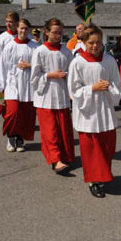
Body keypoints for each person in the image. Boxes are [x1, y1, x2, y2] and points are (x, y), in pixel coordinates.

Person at [68, 23, 121, 198]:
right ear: (83, 42)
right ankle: (94, 180)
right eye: (91, 42)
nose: (95, 46)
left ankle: (103, 175)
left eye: (98, 42)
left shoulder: (109, 60)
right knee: (91, 149)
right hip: (88, 113)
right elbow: (74, 91)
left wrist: (108, 89)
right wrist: (93, 88)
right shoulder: (78, 62)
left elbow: (116, 84)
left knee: (106, 146)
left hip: (105, 110)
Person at [31, 18, 75, 174]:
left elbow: (74, 71)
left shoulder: (66, 51)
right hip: (46, 96)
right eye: (55, 32)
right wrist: (50, 75)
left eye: (60, 33)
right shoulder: (40, 51)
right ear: (47, 32)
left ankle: (65, 156)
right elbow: (34, 77)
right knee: (50, 131)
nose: (58, 36)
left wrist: (67, 76)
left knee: (63, 129)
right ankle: (55, 160)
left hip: (62, 94)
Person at [0, 19, 38, 152]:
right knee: (12, 112)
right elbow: (2, 67)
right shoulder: (9, 46)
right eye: (21, 28)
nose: (23, 31)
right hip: (12, 83)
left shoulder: (35, 47)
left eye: (26, 29)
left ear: (29, 30)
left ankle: (20, 139)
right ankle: (10, 136)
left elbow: (41, 66)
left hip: (28, 84)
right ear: (17, 29)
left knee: (25, 114)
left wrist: (30, 65)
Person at [0, 11, 19, 89]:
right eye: (7, 21)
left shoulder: (25, 36)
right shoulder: (2, 38)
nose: (8, 24)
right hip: (7, 73)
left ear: (17, 22)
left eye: (10, 22)